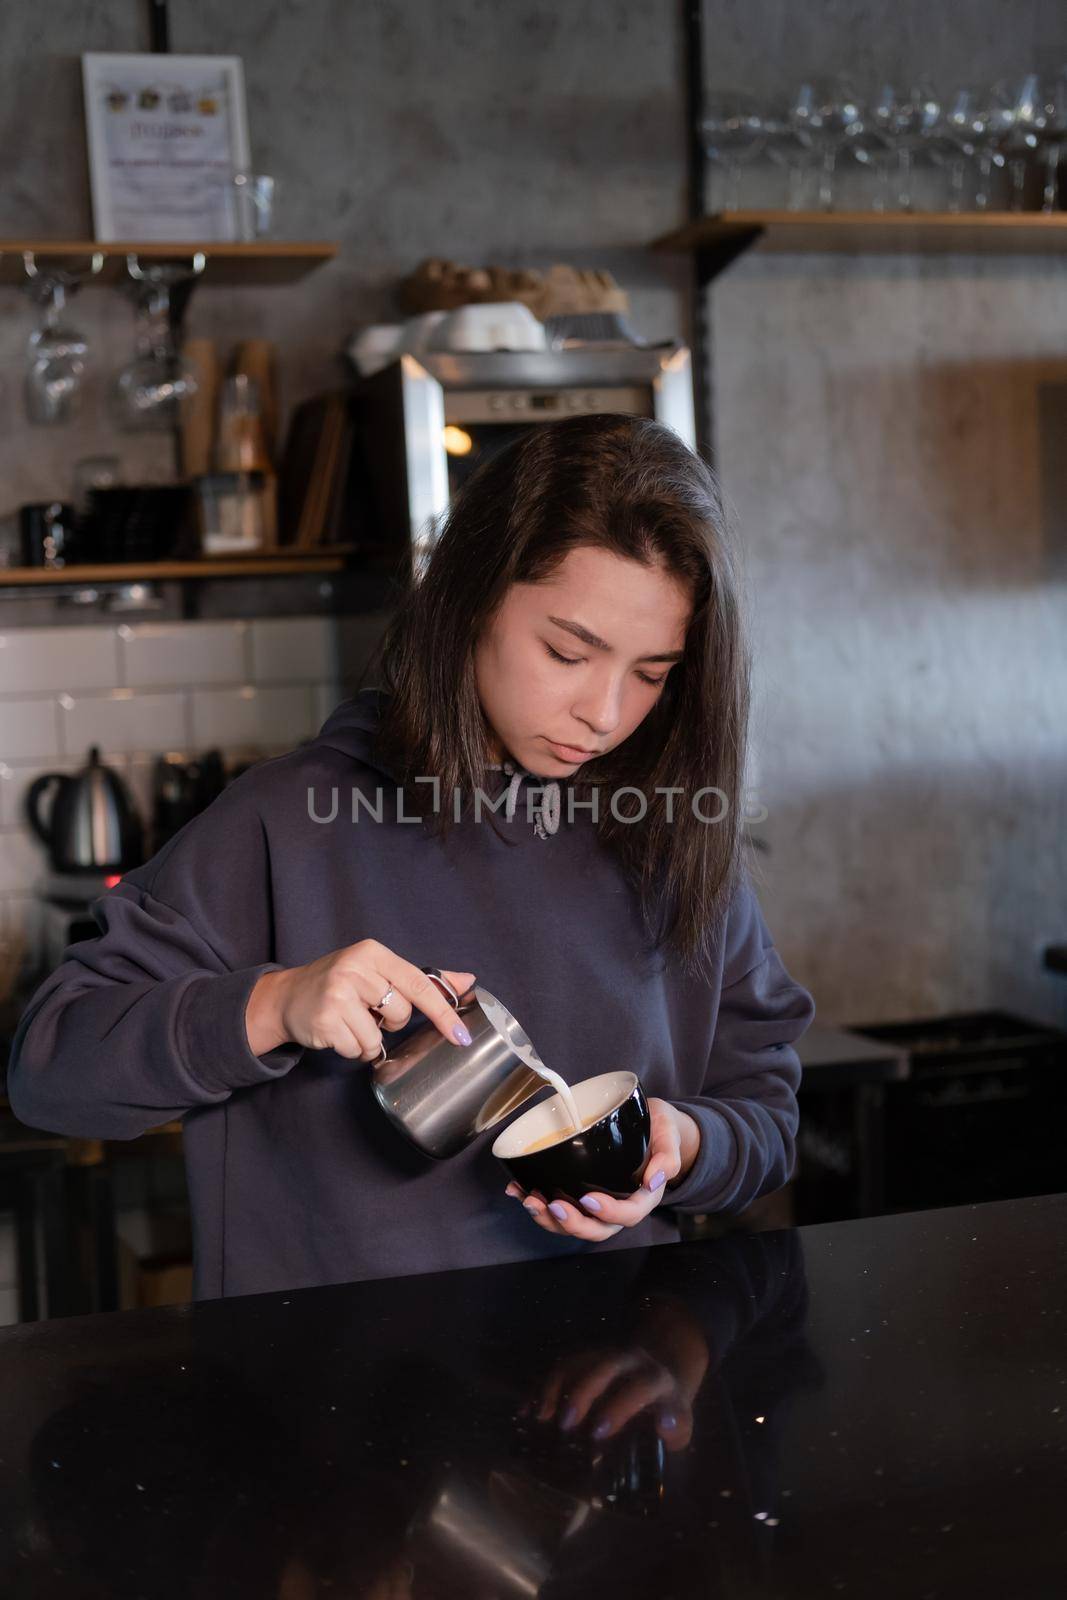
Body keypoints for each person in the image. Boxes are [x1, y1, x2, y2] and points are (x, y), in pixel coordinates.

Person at [8, 413, 815, 1301]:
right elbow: (51, 1075)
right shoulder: (288, 822)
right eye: (566, 652)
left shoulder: (669, 830)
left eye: (652, 673)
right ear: (466, 599)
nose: (606, 712)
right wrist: (273, 1005)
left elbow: (767, 1114)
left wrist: (682, 1147)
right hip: (328, 1402)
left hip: (607, 1386)